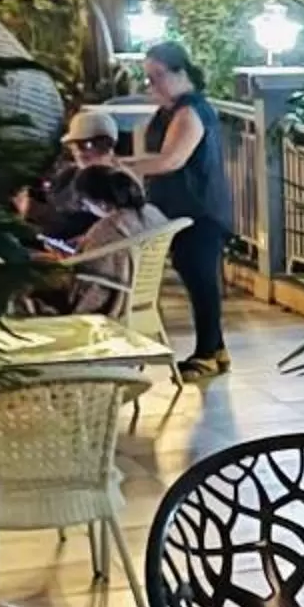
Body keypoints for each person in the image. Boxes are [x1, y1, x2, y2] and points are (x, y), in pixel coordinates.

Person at [126, 40, 234, 378]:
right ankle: (215, 349)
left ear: (180, 73)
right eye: (148, 77)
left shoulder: (191, 111)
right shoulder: (170, 111)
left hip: (199, 210)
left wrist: (121, 166)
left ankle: (208, 352)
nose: (151, 84)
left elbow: (172, 159)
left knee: (201, 279)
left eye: (157, 76)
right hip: (180, 208)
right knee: (195, 276)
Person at [54, 165, 169, 314]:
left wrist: (69, 259)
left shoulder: (107, 228)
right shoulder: (151, 213)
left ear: (101, 204)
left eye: (86, 204)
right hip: (139, 294)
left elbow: (90, 272)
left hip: (109, 298)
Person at [26, 108, 125, 242]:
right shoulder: (68, 175)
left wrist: (29, 208)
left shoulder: (119, 183)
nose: (79, 153)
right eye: (74, 146)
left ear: (108, 147)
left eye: (87, 145)